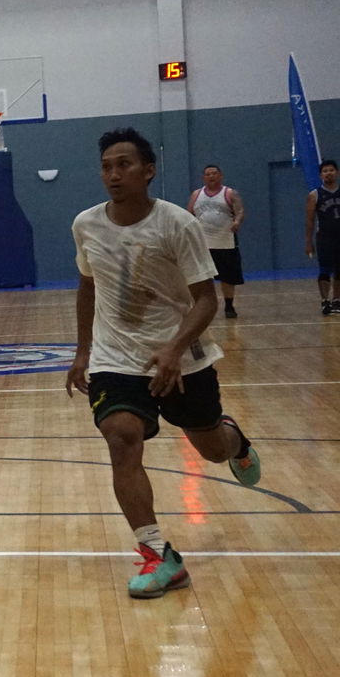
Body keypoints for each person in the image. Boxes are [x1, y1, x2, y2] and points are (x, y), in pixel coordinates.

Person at [65, 127, 264, 601]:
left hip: (182, 358)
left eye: (124, 165)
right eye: (107, 166)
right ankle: (158, 555)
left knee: (211, 447)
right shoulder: (86, 225)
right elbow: (87, 285)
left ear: (148, 170)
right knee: (121, 436)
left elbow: (205, 300)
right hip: (117, 357)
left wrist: (174, 349)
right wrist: (82, 351)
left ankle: (234, 439)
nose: (113, 174)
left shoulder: (178, 224)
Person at [186, 164, 245, 318]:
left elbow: (240, 211)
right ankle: (202, 306)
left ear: (220, 176)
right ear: (203, 177)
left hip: (225, 242)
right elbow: (188, 214)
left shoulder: (230, 193)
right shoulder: (196, 194)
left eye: (214, 173)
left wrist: (237, 222)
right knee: (202, 276)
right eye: (208, 174)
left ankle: (229, 306)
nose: (211, 176)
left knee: (228, 277)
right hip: (203, 243)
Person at [306, 158, 340, 316]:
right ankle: (325, 300)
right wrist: (308, 242)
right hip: (325, 238)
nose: (328, 173)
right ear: (321, 175)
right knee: (325, 270)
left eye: (331, 170)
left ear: (337, 172)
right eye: (325, 171)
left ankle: (337, 300)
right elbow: (310, 220)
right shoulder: (315, 195)